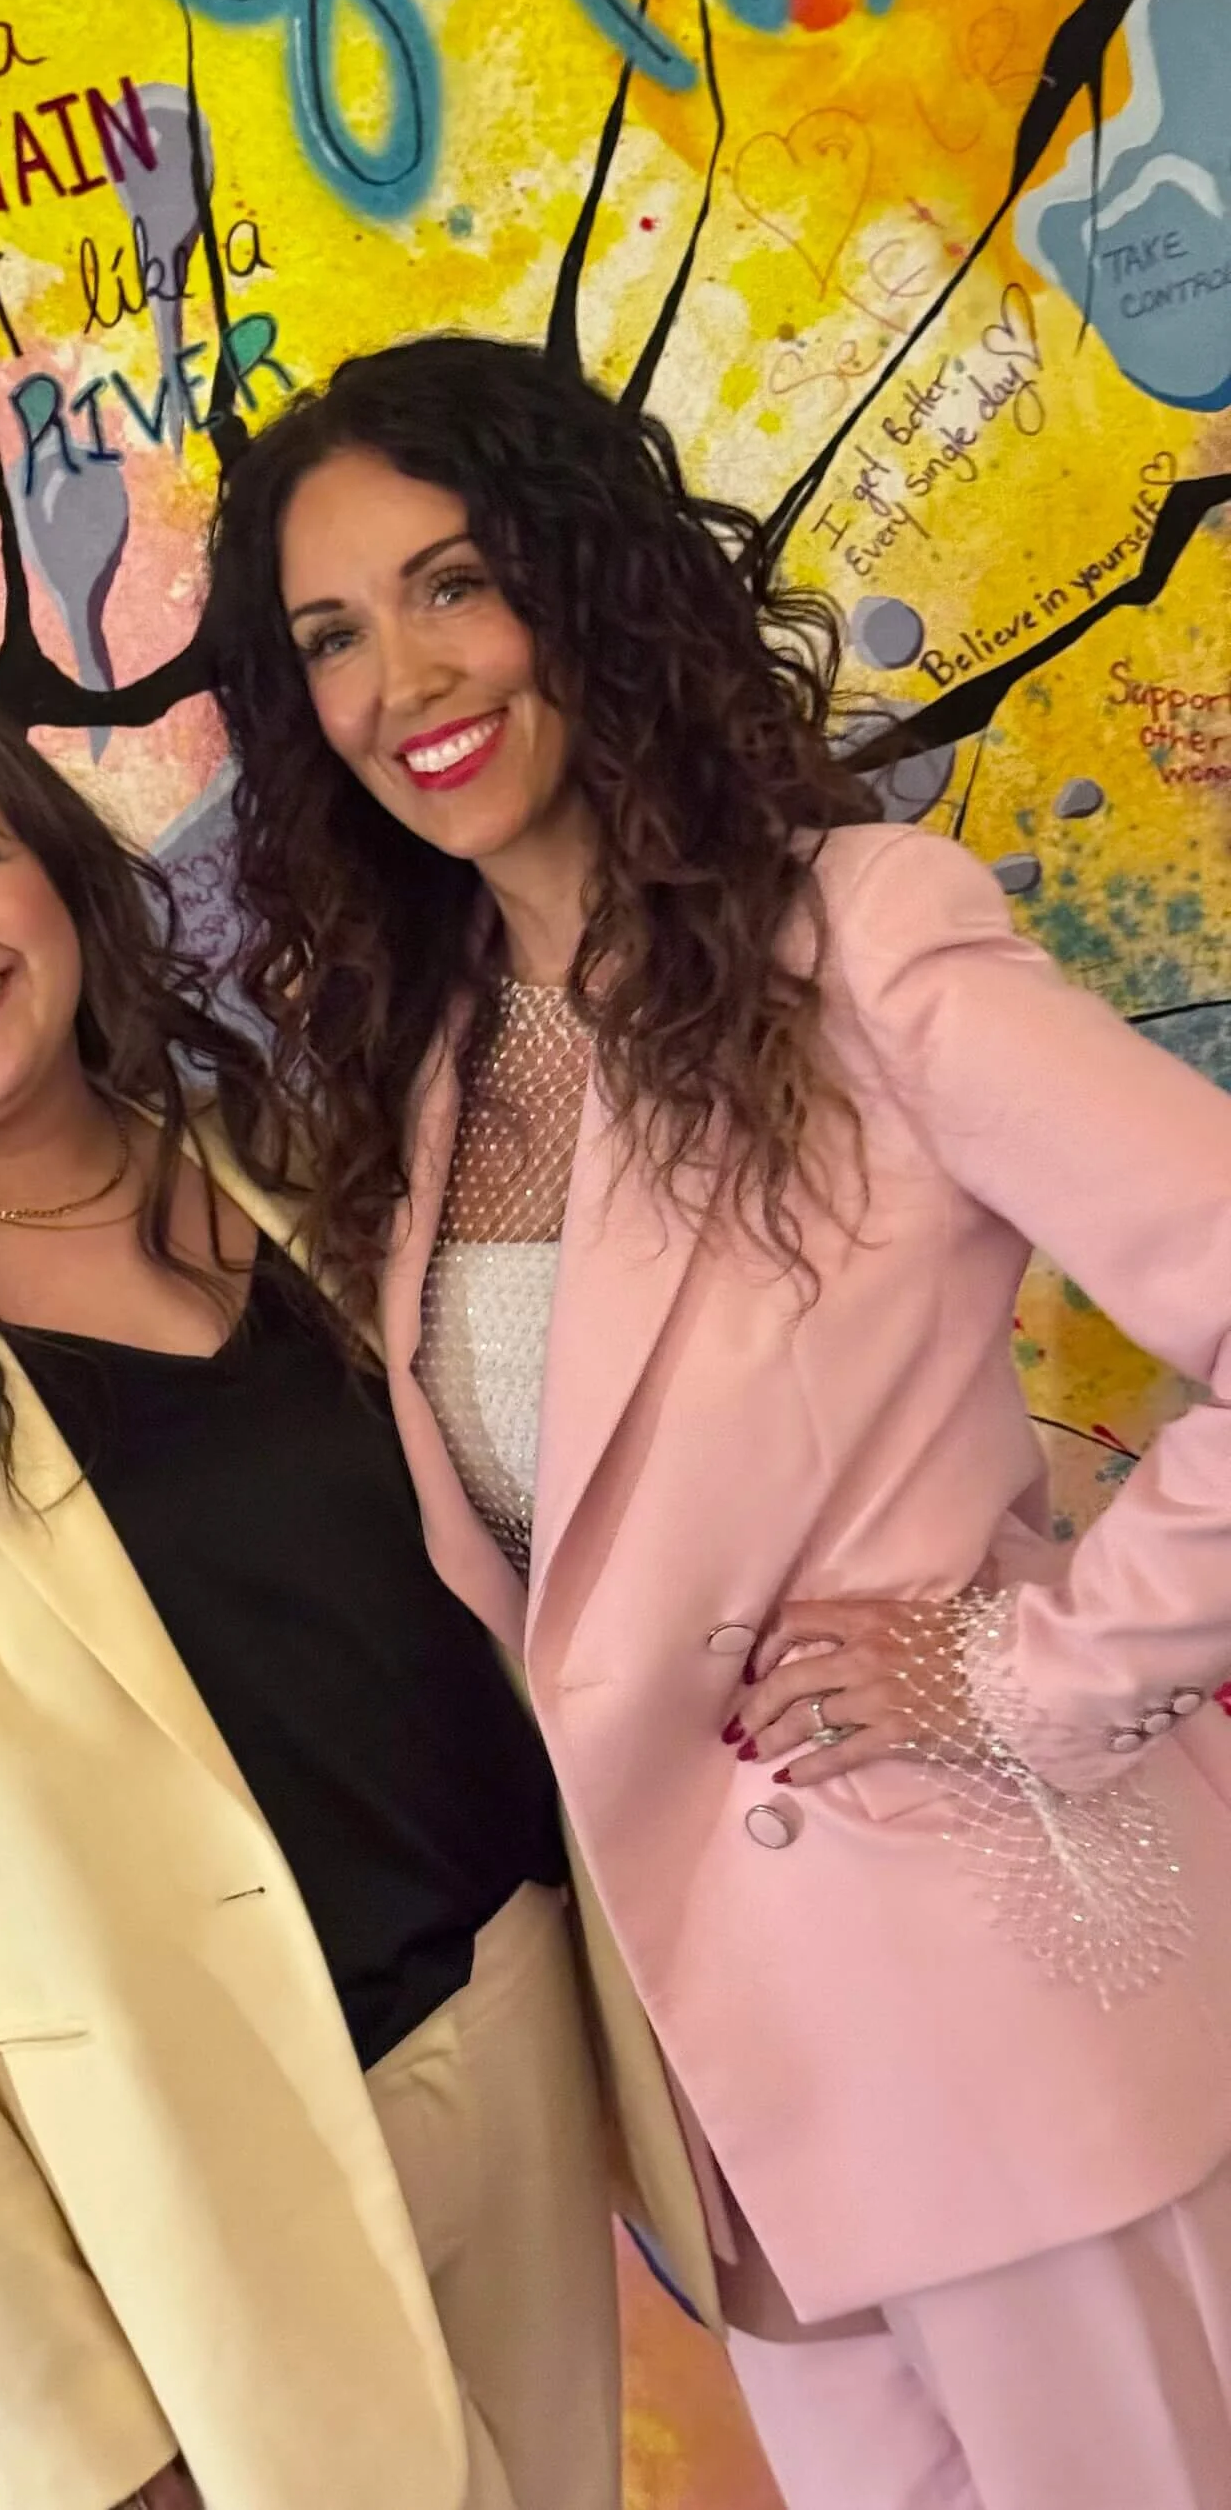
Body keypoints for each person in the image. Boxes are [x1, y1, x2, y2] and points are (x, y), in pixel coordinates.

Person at [203, 331, 1231, 2510]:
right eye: (329, 635)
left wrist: (1030, 1664)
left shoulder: (856, 939)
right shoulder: (433, 1069)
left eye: (452, 580)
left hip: (1007, 2028)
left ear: (581, 586)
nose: (401, 674)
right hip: (738, 2132)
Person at [0, 673, 695, 2510]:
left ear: (61, 882)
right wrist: (85, 2424)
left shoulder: (277, 1165)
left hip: (519, 2007)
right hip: (210, 2187)